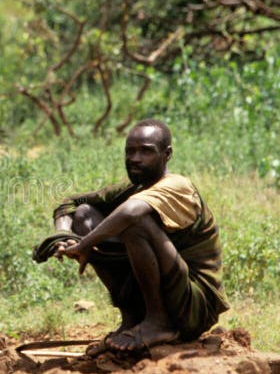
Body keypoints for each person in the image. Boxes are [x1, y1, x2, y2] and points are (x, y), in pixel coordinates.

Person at [41, 119, 228, 353]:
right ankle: (131, 320)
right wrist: (62, 235)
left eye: (146, 151)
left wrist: (84, 246)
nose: (135, 158)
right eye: (130, 151)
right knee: (84, 215)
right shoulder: (134, 188)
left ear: (167, 154)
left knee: (135, 222)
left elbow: (130, 213)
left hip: (195, 305)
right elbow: (70, 204)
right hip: (164, 292)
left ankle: (158, 322)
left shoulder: (178, 185)